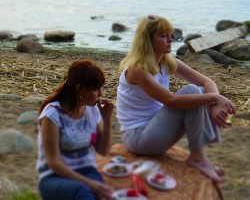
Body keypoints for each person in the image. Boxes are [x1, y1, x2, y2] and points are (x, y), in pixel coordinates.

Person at [116, 15, 236, 183]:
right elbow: (171, 101)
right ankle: (198, 157)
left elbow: (206, 81)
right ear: (148, 40)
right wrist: (214, 98)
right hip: (138, 138)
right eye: (164, 35)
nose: (171, 39)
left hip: (156, 130)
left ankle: (198, 156)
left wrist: (215, 104)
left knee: (200, 90)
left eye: (171, 34)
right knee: (194, 92)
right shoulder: (138, 69)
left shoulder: (166, 61)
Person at [36, 59, 114, 200]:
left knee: (105, 194)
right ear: (79, 89)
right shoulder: (52, 115)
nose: (100, 94)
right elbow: (54, 162)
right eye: (96, 89)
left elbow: (103, 150)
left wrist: (107, 119)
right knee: (83, 191)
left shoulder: (92, 110)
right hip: (54, 176)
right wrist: (90, 183)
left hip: (87, 170)